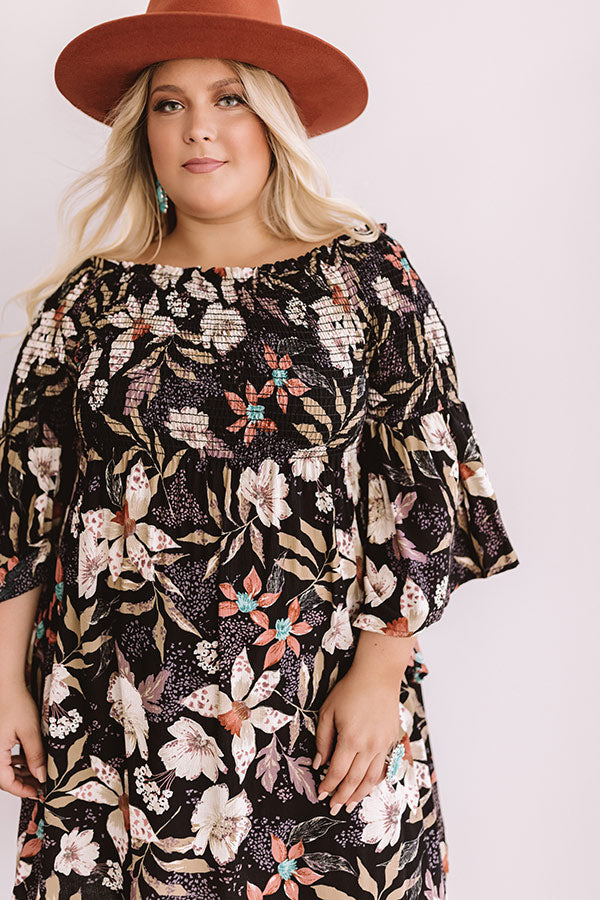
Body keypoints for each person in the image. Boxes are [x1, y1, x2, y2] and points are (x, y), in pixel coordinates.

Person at [0, 1, 520, 897]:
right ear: (142, 133)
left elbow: (428, 482)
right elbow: (25, 504)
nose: (198, 128)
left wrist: (381, 672)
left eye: (229, 98)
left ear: (275, 120)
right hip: (113, 718)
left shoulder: (364, 278)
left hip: (323, 712)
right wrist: (5, 683)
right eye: (168, 104)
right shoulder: (88, 304)